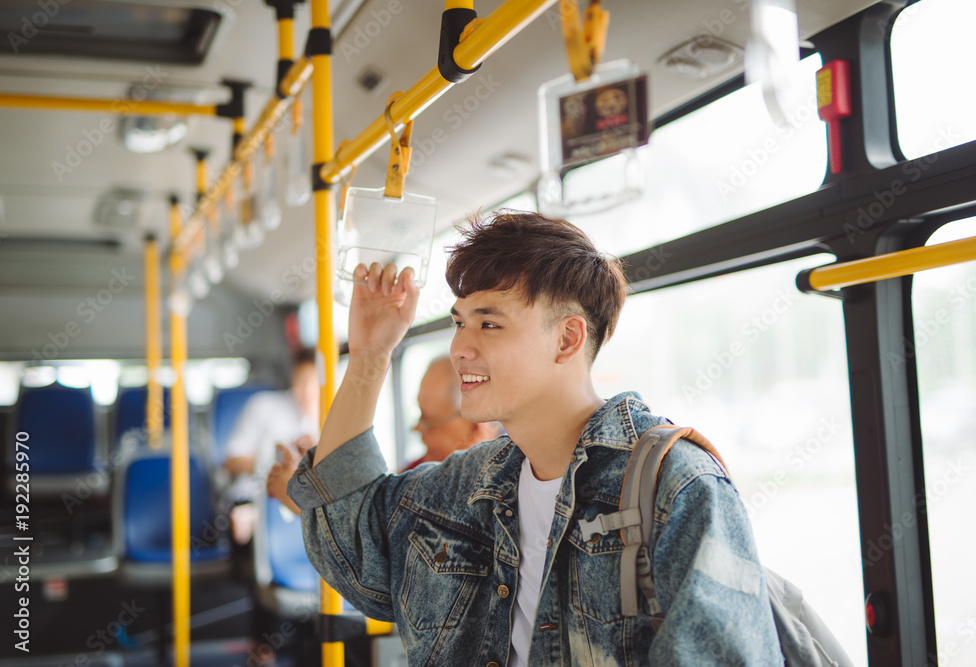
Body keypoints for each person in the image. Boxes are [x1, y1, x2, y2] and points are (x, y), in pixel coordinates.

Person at [287, 211, 782, 665]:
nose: (460, 346)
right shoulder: (471, 483)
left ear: (567, 339)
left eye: (489, 323)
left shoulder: (676, 488)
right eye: (460, 322)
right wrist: (371, 355)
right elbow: (347, 532)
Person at [266, 355, 499, 512]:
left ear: (474, 422)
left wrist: (304, 503)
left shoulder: (476, 495)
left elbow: (380, 549)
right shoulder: (421, 468)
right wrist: (328, 465)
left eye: (428, 421)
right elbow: (379, 507)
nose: (416, 429)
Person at [223, 347, 319, 544]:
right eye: (302, 382)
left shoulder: (333, 421)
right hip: (256, 497)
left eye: (315, 383)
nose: (307, 392)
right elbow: (231, 462)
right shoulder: (263, 406)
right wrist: (277, 465)